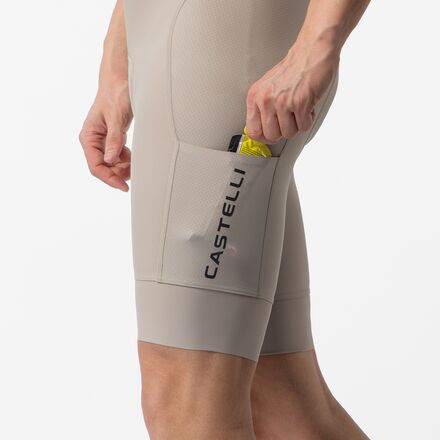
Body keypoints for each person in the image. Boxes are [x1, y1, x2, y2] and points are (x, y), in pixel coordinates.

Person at [79, 0, 371, 438]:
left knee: (183, 401)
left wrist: (318, 43)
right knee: (282, 399)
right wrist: (118, 59)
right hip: (181, 44)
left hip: (222, 50)